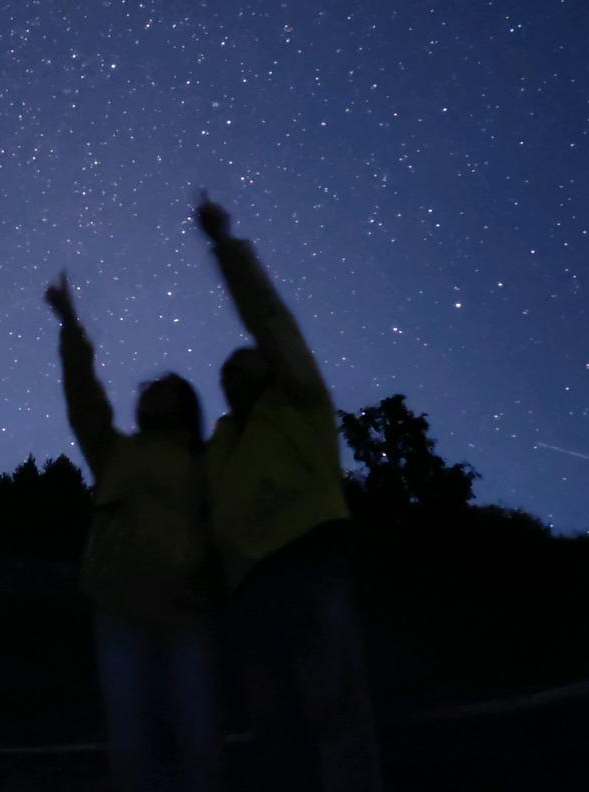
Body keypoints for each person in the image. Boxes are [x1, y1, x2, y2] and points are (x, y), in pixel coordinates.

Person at [195, 194, 382, 792]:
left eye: (244, 365)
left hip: (307, 558)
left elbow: (267, 315)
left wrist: (224, 246)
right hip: (247, 586)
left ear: (269, 367)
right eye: (225, 374)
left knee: (336, 714)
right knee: (276, 731)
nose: (233, 375)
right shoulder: (223, 441)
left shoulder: (298, 397)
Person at [44, 272, 222, 792]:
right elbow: (84, 397)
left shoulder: (205, 462)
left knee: (199, 744)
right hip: (119, 611)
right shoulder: (116, 453)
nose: (149, 394)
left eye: (163, 390)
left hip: (187, 613)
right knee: (131, 747)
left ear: (184, 407)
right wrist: (70, 324)